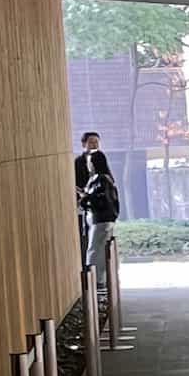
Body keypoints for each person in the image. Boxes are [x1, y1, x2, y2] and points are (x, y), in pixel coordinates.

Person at [75, 129, 121, 303]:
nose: (94, 145)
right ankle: (100, 279)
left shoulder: (99, 179)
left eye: (96, 142)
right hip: (102, 217)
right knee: (97, 247)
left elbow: (94, 198)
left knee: (95, 248)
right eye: (91, 142)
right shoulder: (82, 164)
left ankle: (97, 281)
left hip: (99, 217)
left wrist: (84, 198)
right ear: (84, 144)